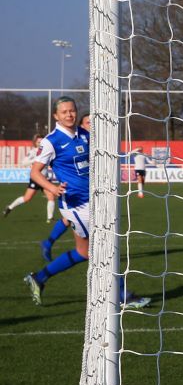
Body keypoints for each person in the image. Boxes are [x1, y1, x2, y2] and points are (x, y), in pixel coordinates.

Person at [22, 96, 150, 309]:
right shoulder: (51, 141)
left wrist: (127, 155)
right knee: (104, 249)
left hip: (94, 200)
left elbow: (103, 157)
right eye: (64, 112)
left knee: (84, 252)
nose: (69, 114)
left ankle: (39, 277)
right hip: (76, 206)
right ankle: (122, 295)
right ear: (56, 116)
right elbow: (35, 172)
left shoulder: (84, 135)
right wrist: (52, 188)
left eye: (72, 110)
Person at [4, 136, 59, 224]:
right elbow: (24, 162)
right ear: (35, 143)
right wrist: (35, 159)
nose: (40, 143)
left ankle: (50, 218)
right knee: (27, 198)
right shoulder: (33, 152)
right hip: (36, 178)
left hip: (45, 178)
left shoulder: (47, 151)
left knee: (51, 196)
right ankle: (10, 207)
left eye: (42, 141)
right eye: (38, 142)